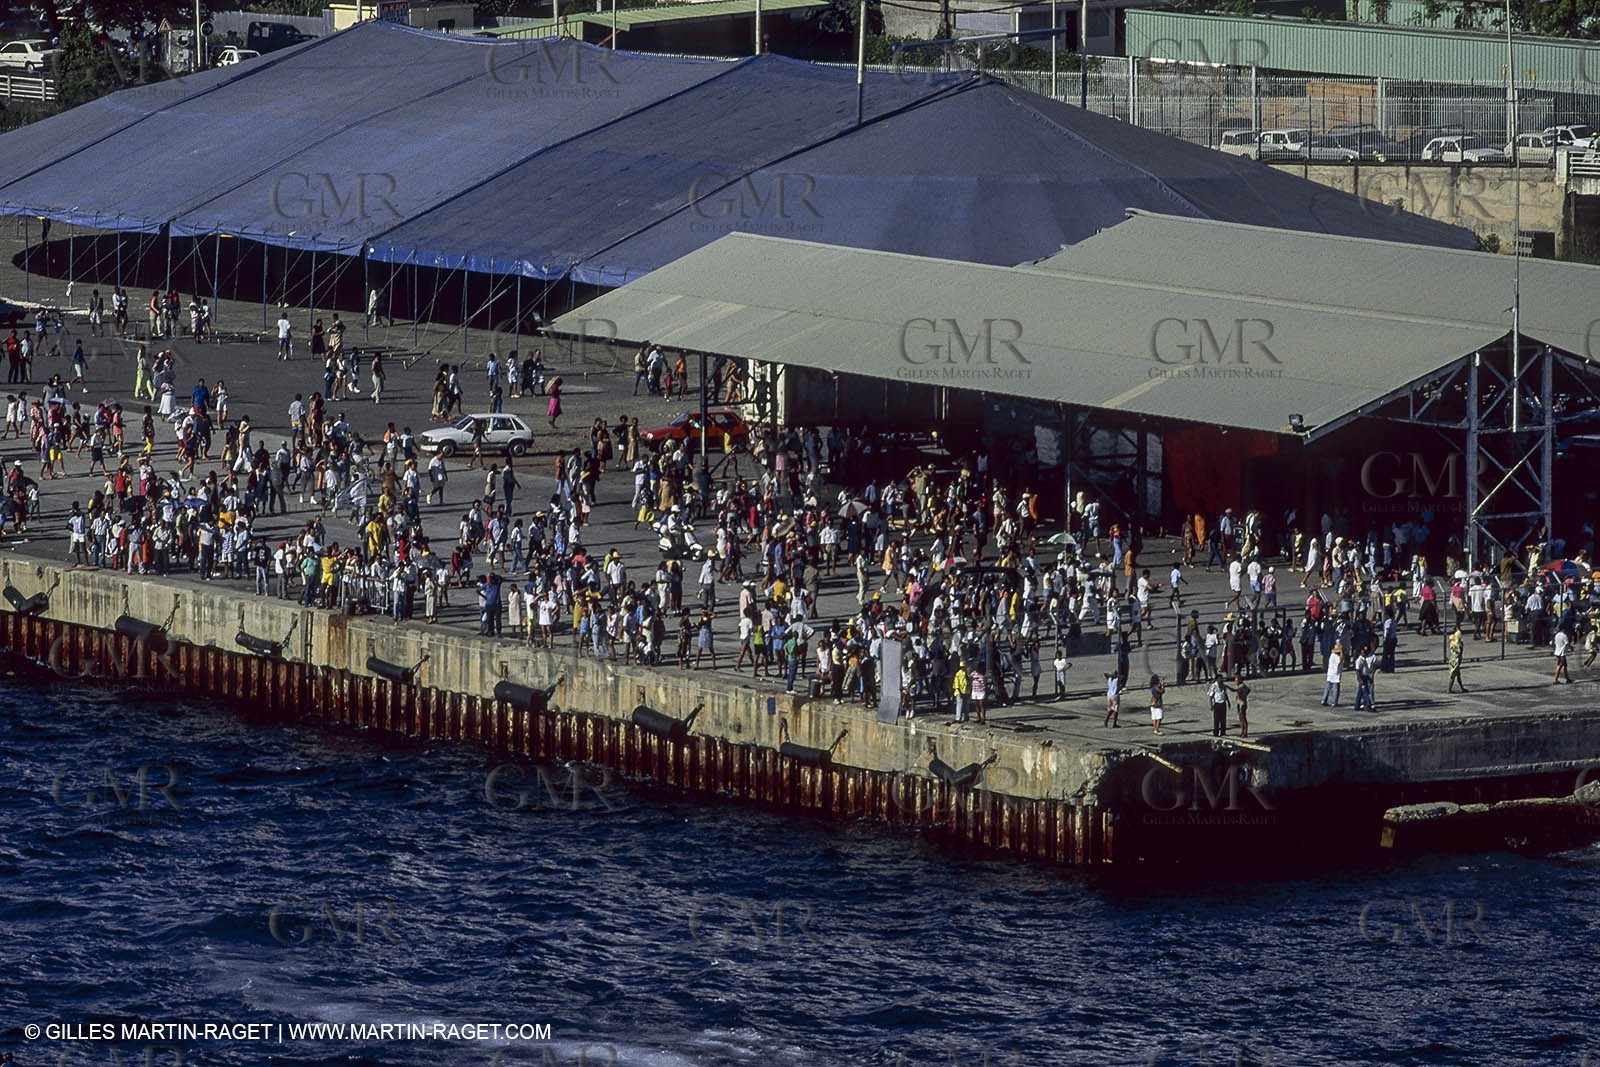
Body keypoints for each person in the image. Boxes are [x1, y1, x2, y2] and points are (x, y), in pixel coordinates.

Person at [1446, 624, 1467, 693]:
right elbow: (1460, 652)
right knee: (1453, 675)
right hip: (1456, 661)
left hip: (1453, 660)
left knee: (1458, 675)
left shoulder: (1452, 642)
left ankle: (1462, 688)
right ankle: (1449, 689)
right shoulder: (1458, 644)